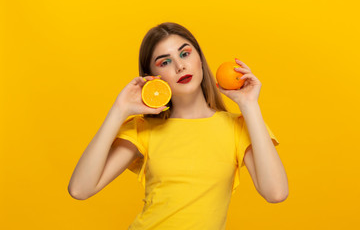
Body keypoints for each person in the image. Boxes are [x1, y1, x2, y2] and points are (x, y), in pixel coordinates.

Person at [68, 22, 288, 229]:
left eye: (185, 53)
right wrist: (118, 110)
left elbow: (276, 193)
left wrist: (249, 106)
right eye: (165, 62)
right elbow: (80, 189)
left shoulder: (237, 127)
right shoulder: (144, 129)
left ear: (200, 59)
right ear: (153, 78)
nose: (180, 66)